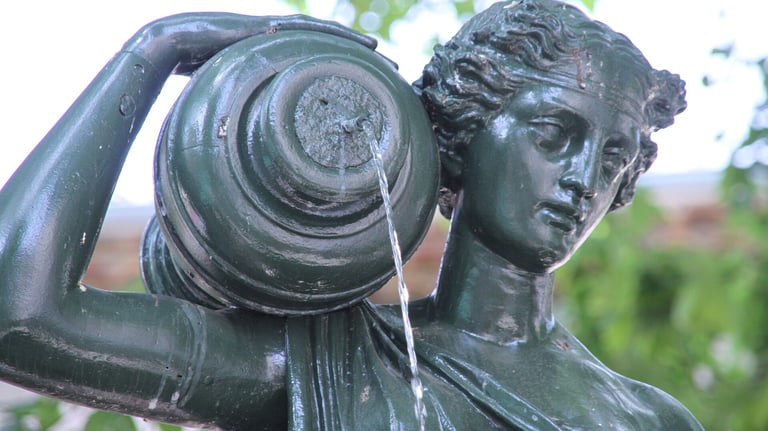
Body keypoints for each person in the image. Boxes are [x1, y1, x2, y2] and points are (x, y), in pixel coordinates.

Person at [0, 1, 702, 430]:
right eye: (553, 136)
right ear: (462, 133)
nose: (585, 181)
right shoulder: (321, 360)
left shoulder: (653, 420)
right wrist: (152, 50)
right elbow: (21, 318)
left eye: (614, 158)